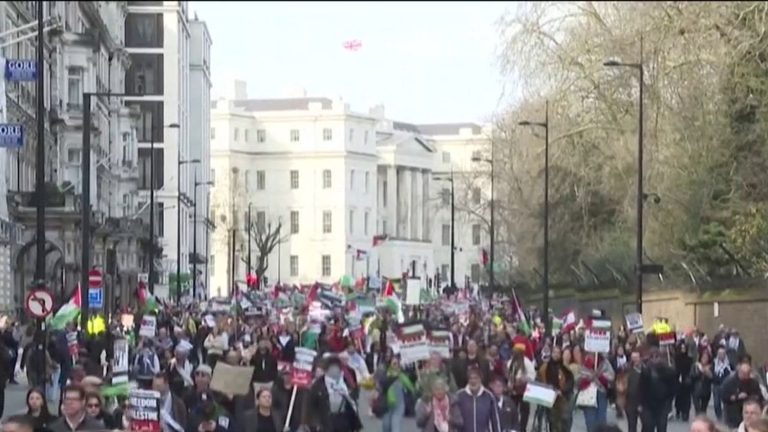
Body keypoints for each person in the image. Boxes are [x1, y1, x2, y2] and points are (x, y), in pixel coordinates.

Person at [304, 356, 363, 432]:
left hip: (343, 421)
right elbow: (311, 406)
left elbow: (353, 399)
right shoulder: (318, 385)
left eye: (336, 368)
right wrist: (314, 424)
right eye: (332, 368)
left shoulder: (345, 382)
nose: (334, 371)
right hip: (325, 422)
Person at [639, 347, 677, 432]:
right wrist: (640, 403)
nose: (654, 359)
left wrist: (669, 400)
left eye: (657, 356)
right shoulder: (646, 371)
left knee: (661, 427)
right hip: (648, 404)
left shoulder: (667, 371)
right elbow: (641, 387)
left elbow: (673, 387)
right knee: (648, 427)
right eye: (652, 357)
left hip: (662, 404)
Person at [375, 356, 416, 432]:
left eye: (397, 363)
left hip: (399, 406)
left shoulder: (401, 375)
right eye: (393, 363)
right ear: (390, 364)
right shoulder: (386, 374)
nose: (395, 365)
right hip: (387, 406)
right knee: (386, 426)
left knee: (396, 427)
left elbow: (411, 387)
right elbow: (379, 386)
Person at [454, 367, 501, 432]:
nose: (473, 381)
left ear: (481, 379)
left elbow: (495, 421)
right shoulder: (459, 396)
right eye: (471, 378)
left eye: (476, 378)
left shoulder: (489, 396)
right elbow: (454, 422)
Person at [539, 345, 574, 432]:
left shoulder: (564, 367)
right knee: (552, 420)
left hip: (562, 397)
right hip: (550, 397)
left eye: (558, 353)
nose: (556, 355)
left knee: (565, 419)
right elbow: (540, 379)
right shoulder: (545, 367)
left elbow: (570, 381)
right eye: (554, 352)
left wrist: (563, 390)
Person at [577, 353, 615, 432]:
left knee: (601, 419)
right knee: (590, 420)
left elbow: (611, 376)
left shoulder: (605, 362)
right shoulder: (584, 362)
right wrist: (589, 376)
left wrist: (600, 376)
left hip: (601, 392)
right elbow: (579, 378)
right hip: (588, 394)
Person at [721, 363, 763, 428]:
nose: (746, 376)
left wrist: (752, 398)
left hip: (750, 413)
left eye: (748, 374)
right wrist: (736, 397)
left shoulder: (753, 382)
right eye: (744, 374)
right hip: (733, 414)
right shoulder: (729, 382)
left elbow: (759, 396)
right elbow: (724, 397)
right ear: (740, 372)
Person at [691, 350, 714, 415]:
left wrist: (708, 373)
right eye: (703, 357)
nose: (704, 359)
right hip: (696, 390)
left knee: (703, 409)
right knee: (697, 409)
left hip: (706, 390)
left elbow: (713, 378)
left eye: (706, 358)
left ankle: (703, 421)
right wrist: (700, 372)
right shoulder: (695, 366)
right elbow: (692, 376)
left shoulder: (711, 367)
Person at [712, 346, 733, 421]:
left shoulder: (729, 364)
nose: (721, 355)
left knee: (725, 402)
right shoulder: (714, 363)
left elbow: (732, 373)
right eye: (720, 353)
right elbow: (712, 373)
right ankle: (719, 416)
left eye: (723, 353)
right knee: (716, 402)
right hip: (716, 385)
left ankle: (725, 416)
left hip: (726, 386)